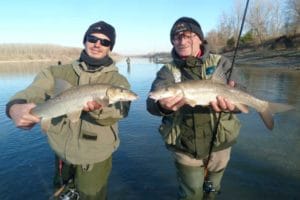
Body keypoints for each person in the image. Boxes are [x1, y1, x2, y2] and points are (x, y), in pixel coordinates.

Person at [6, 21, 131, 200]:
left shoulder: (117, 80)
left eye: (105, 42)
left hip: (95, 156)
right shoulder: (56, 72)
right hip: (61, 154)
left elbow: (120, 111)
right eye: (93, 38)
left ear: (110, 47)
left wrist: (98, 109)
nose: (97, 44)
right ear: (85, 40)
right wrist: (14, 107)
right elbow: (32, 91)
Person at [146, 17, 245, 200]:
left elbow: (240, 92)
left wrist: (233, 105)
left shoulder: (221, 62)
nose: (182, 41)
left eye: (188, 35)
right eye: (176, 37)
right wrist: (162, 105)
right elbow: (152, 101)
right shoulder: (167, 71)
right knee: (190, 193)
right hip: (185, 146)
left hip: (220, 143)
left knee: (213, 190)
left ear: (200, 38)